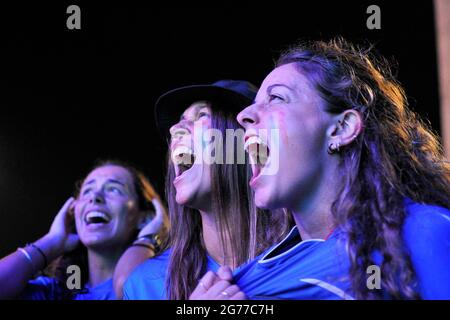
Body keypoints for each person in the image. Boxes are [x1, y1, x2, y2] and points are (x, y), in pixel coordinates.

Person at [200, 38, 450, 299]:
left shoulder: (420, 234)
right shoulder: (241, 282)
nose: (244, 115)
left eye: (276, 97)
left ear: (342, 128)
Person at [121, 80, 291, 300]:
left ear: (246, 142)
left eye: (201, 116)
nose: (174, 129)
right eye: (180, 121)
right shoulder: (146, 285)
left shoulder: (307, 263)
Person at [0, 160, 168, 299]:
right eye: (87, 191)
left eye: (114, 189)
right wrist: (52, 242)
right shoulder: (56, 293)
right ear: (74, 211)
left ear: (145, 218)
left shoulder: (167, 277)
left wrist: (148, 240)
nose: (94, 197)